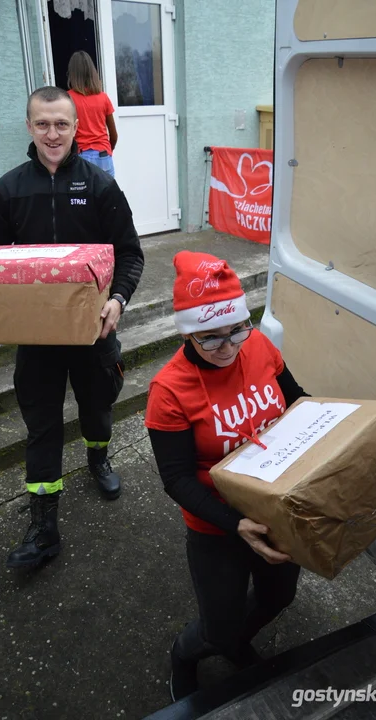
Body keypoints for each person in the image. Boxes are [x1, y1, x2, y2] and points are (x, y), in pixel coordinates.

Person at [0, 86, 144, 569]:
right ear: (29, 127)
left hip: (94, 332)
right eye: (43, 124)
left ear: (76, 127)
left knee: (97, 407)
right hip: (38, 339)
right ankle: (44, 525)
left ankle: (98, 457)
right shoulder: (9, 189)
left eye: (62, 124)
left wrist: (117, 300)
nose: (53, 134)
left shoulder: (100, 186)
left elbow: (130, 254)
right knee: (42, 427)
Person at [145, 251, 309, 700]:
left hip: (275, 505)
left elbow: (298, 401)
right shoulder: (169, 391)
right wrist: (236, 525)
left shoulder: (258, 346)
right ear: (187, 333)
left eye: (237, 329)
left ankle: (235, 641)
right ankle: (187, 653)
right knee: (216, 628)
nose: (229, 347)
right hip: (216, 524)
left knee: (279, 598)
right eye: (210, 339)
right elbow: (176, 479)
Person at [67, 51, 117, 178]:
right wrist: (108, 150)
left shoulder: (68, 99)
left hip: (80, 155)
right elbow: (114, 135)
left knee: (83, 197)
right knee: (108, 196)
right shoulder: (103, 98)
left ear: (72, 73)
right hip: (103, 155)